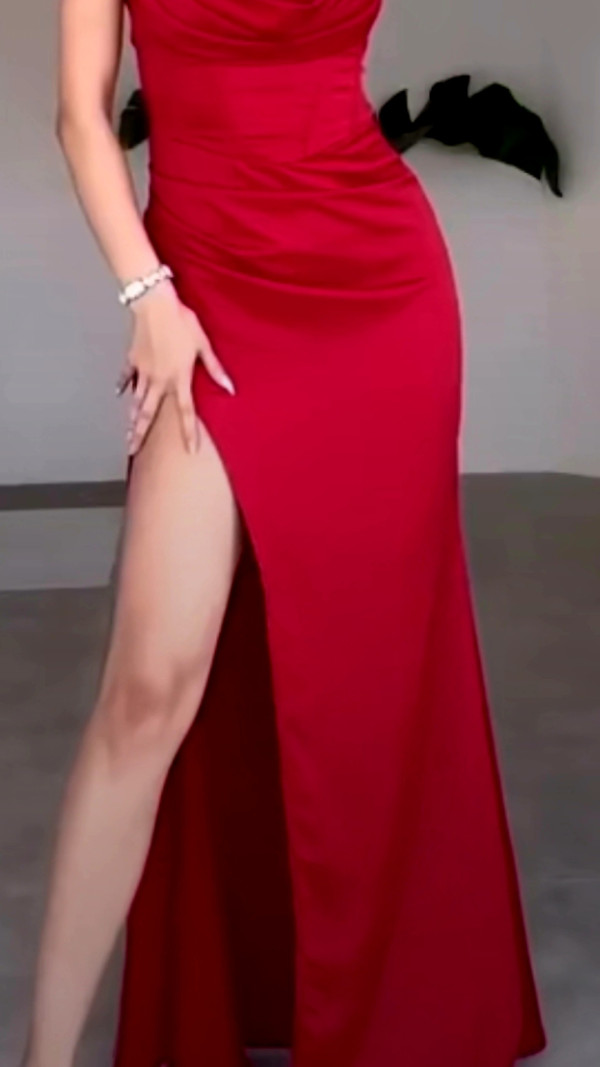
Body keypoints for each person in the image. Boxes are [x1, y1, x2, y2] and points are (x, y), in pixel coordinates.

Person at [21, 1, 547, 1065]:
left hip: (376, 287)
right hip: (201, 296)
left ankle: (388, 1015)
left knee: (372, 679)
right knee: (148, 689)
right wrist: (150, 297)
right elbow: (81, 115)